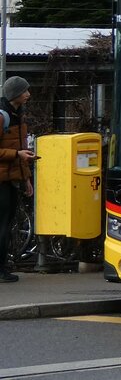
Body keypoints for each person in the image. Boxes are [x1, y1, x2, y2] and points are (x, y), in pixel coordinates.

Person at [0, 76, 35, 283]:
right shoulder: (3, 116)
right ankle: (1, 270)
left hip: (11, 179)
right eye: (25, 91)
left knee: (6, 224)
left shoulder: (18, 115)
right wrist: (17, 155)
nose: (28, 94)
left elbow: (20, 150)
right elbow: (17, 152)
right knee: (2, 225)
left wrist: (26, 180)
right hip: (2, 181)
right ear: (15, 94)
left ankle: (3, 266)